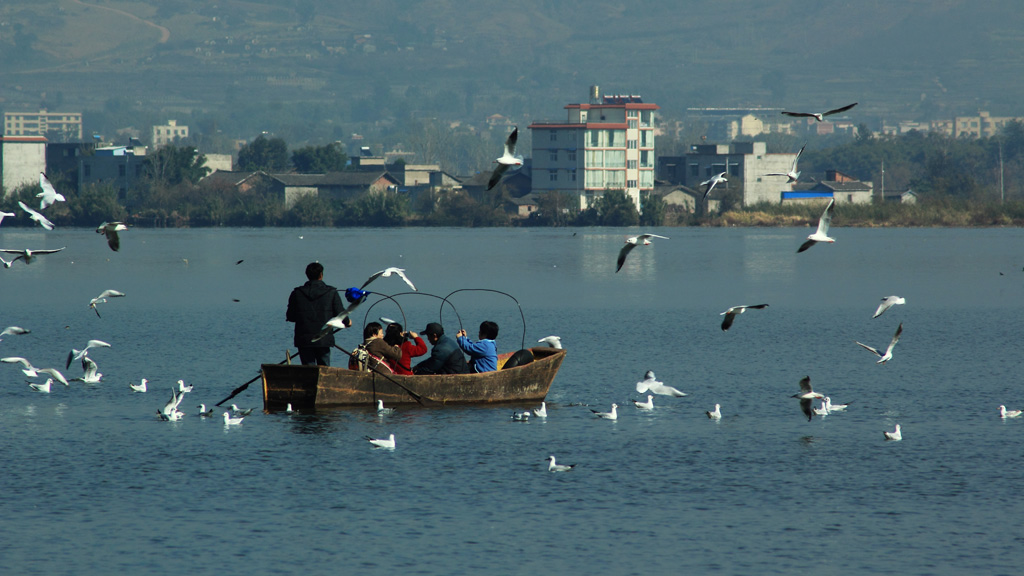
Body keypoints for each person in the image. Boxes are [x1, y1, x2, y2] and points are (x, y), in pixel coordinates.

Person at [286, 262, 348, 366]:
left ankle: (309, 382)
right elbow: (340, 314)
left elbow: (290, 317)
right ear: (321, 275)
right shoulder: (331, 292)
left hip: (304, 339)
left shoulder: (297, 293)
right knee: (324, 369)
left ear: (307, 275)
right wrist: (347, 322)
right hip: (324, 338)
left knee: (308, 371)